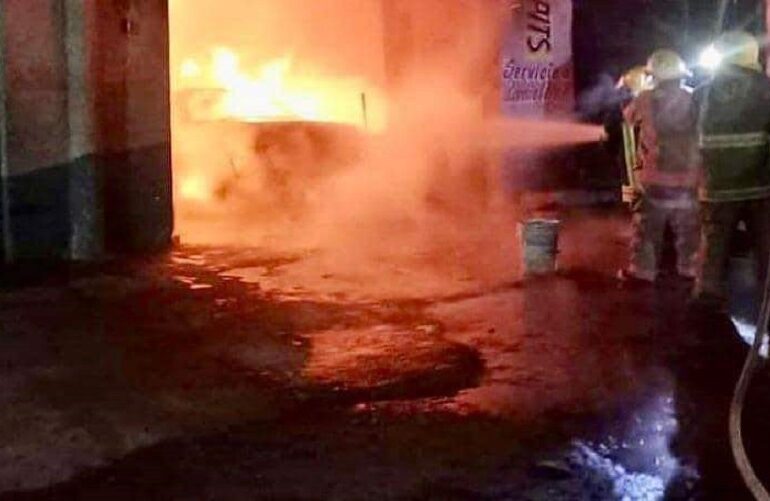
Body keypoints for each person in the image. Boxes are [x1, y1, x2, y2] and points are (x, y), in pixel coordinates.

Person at [693, 30, 770, 308]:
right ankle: (766, 301)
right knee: (766, 245)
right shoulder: (766, 88)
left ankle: (706, 296)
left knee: (714, 244)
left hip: (715, 187)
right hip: (760, 185)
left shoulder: (701, 93)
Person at [618, 49, 701, 284]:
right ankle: (689, 269)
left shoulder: (644, 99)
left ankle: (643, 271)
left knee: (647, 229)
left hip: (655, 178)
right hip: (689, 177)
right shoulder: (694, 98)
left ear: (653, 76)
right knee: (689, 229)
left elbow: (627, 118)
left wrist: (632, 89)